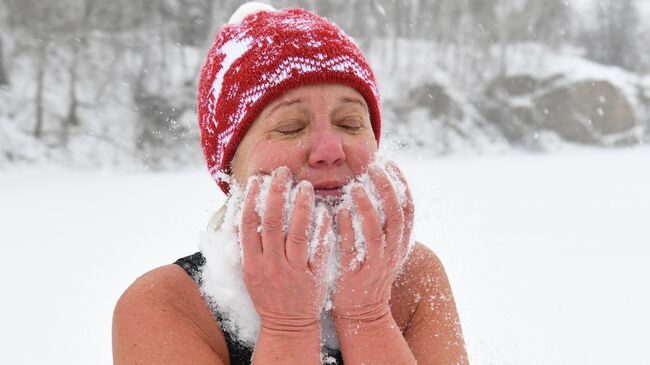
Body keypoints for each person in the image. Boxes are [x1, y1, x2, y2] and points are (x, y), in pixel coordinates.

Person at [112, 3, 468, 364]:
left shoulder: (414, 278)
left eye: (349, 122)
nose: (330, 150)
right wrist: (288, 324)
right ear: (232, 166)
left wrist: (367, 314)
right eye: (290, 127)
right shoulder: (165, 306)